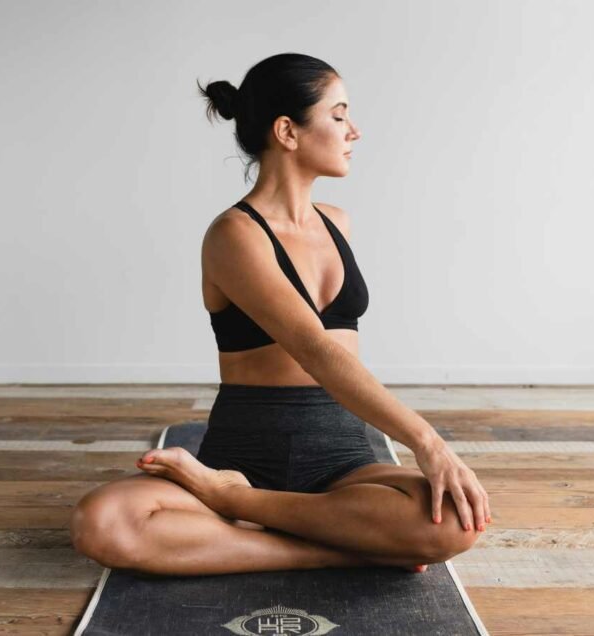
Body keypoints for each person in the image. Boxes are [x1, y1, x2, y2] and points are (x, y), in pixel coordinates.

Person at [70, 53, 490, 577]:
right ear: (288, 131)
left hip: (340, 457)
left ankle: (245, 511)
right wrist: (428, 442)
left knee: (456, 521)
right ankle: (328, 540)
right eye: (338, 115)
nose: (353, 131)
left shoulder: (338, 223)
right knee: (103, 522)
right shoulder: (234, 235)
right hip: (243, 453)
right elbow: (315, 350)